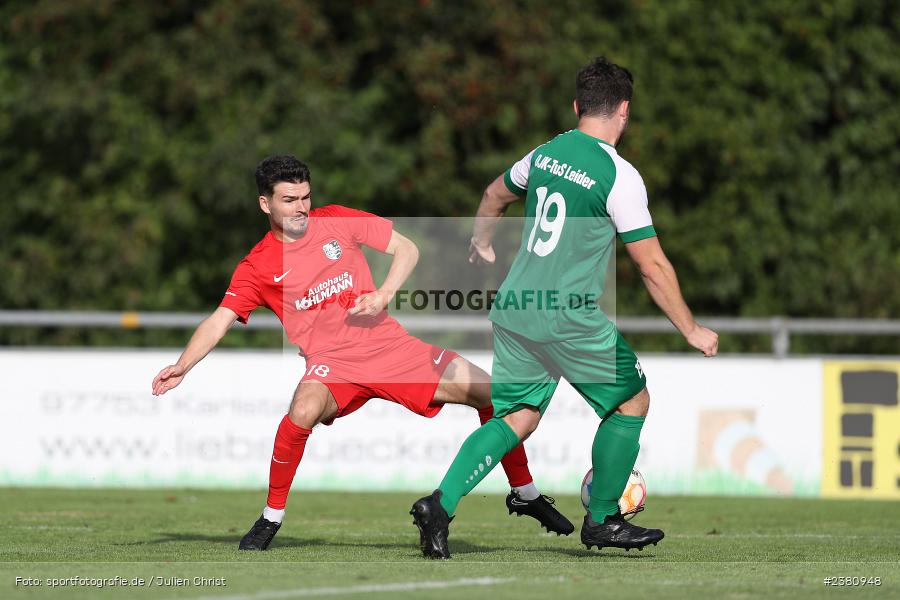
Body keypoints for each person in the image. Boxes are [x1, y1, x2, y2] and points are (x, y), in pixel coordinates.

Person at [151, 155, 573, 551]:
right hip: (332, 365)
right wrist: (183, 366)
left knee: (499, 398)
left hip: (391, 348)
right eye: (289, 200)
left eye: (305, 197)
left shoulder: (336, 219)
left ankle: (524, 494)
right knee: (302, 409)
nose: (301, 207)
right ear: (265, 203)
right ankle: (271, 517)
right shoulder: (258, 266)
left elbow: (407, 249)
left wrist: (384, 293)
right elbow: (219, 319)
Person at [410, 57, 719, 559]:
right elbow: (652, 266)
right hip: (567, 316)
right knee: (631, 402)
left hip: (515, 308)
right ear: (624, 109)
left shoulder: (547, 152)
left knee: (518, 417)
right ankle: (602, 520)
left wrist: (482, 242)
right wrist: (690, 328)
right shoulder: (618, 175)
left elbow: (493, 194)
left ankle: (440, 504)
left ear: (578, 106)